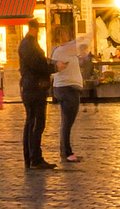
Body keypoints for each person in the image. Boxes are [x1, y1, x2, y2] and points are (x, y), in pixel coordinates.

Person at [18, 19, 55, 169]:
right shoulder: (29, 44)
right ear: (34, 28)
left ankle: (31, 157)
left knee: (32, 122)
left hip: (32, 86)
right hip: (34, 87)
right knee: (36, 122)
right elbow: (36, 65)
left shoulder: (29, 43)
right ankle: (34, 158)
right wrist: (53, 67)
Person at [51, 27, 91, 163]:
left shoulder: (60, 50)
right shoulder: (64, 49)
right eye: (64, 33)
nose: (67, 36)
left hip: (65, 88)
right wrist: (92, 28)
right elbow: (83, 40)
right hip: (67, 89)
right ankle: (67, 152)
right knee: (67, 122)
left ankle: (65, 151)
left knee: (66, 122)